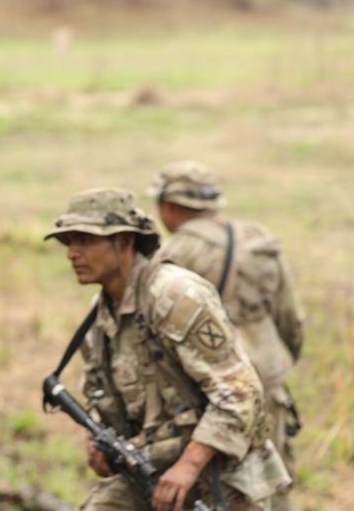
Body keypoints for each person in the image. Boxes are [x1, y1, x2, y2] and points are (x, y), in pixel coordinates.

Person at [44, 187, 290, 511]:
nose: (72, 253)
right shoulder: (99, 318)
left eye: (86, 241)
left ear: (125, 241)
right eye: (70, 242)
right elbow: (101, 399)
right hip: (151, 472)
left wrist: (187, 467)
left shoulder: (176, 296)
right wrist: (97, 446)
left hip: (222, 475)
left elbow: (242, 393)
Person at [146, 160, 304, 509]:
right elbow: (291, 321)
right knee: (272, 490)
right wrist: (276, 370)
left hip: (210, 395)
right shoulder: (257, 241)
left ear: (169, 207)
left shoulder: (174, 254)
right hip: (268, 384)